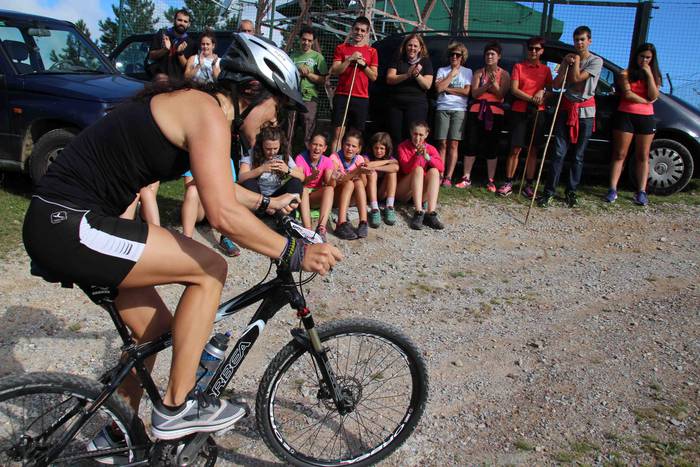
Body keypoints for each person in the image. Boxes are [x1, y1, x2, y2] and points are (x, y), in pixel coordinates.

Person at [23, 33, 342, 447]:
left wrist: (268, 204)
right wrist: (294, 252)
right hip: (67, 223)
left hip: (65, 220)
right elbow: (222, 214)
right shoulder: (206, 113)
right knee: (210, 268)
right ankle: (176, 407)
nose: (274, 120)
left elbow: (221, 188)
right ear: (251, 90)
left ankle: (116, 435)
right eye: (276, 106)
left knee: (155, 330)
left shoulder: (201, 109)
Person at [182, 30, 237, 256]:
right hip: (201, 207)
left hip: (216, 206)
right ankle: (186, 241)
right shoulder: (193, 59)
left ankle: (226, 237)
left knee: (226, 194)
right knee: (192, 191)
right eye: (202, 44)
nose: (205, 47)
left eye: (208, 44)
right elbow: (187, 77)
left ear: (214, 46)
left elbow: (220, 78)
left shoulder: (218, 62)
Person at [538, 26, 603, 208]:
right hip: (566, 110)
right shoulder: (568, 60)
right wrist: (565, 64)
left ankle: (571, 191)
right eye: (576, 40)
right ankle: (549, 192)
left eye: (582, 39)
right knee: (558, 153)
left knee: (578, 155)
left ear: (589, 41)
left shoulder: (596, 61)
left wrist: (575, 62)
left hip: (585, 112)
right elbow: (557, 84)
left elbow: (576, 79)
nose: (579, 43)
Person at [606, 42, 661, 206]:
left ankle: (642, 191)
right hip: (626, 115)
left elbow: (654, 95)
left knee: (643, 155)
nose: (644, 60)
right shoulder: (625, 73)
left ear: (652, 59)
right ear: (636, 56)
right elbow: (628, 94)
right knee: (620, 153)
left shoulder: (655, 76)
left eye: (648, 58)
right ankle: (612, 189)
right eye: (642, 56)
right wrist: (645, 101)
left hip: (646, 118)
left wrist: (649, 75)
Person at [499, 37, 552, 197]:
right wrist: (532, 98)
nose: (533, 51)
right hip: (519, 110)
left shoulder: (546, 70)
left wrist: (543, 93)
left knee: (533, 150)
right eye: (531, 48)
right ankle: (508, 182)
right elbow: (514, 90)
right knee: (515, 148)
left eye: (537, 48)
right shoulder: (519, 67)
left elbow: (550, 90)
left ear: (542, 51)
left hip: (537, 112)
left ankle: (528, 185)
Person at [459, 42, 510, 192]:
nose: (489, 56)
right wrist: (487, 85)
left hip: (495, 113)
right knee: (471, 143)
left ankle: (490, 180)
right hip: (477, 111)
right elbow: (474, 93)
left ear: (499, 56)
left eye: (493, 54)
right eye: (487, 54)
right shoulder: (479, 72)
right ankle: (466, 177)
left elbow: (501, 94)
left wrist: (494, 84)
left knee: (492, 146)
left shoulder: (504, 74)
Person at [329, 16, 378, 152]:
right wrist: (349, 59)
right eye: (357, 29)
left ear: (366, 32)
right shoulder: (341, 48)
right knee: (338, 133)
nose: (359, 33)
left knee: (356, 136)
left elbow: (374, 76)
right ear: (352, 30)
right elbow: (335, 70)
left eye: (362, 30)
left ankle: (354, 163)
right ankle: (335, 162)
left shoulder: (372, 51)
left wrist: (363, 65)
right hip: (342, 95)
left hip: (361, 97)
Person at [385, 34, 434, 149]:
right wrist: (407, 75)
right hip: (396, 104)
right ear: (405, 46)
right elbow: (390, 79)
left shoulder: (425, 62)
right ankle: (396, 159)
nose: (412, 48)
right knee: (395, 136)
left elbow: (427, 85)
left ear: (420, 48)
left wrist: (416, 75)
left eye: (415, 46)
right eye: (410, 45)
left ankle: (412, 160)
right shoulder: (398, 59)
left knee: (414, 137)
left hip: (417, 105)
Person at [434, 42, 471, 187]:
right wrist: (451, 75)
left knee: (454, 144)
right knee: (442, 143)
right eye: (452, 54)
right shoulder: (442, 70)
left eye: (457, 55)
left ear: (462, 57)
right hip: (442, 107)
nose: (454, 57)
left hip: (459, 109)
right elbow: (438, 89)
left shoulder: (467, 72)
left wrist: (447, 88)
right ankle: (440, 173)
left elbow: (466, 92)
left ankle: (448, 176)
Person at [396, 121, 445, 230]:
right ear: (410, 132)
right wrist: (417, 156)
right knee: (418, 170)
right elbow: (406, 169)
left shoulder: (430, 148)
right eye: (415, 134)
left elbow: (441, 167)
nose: (417, 138)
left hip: (420, 193)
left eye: (421, 135)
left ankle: (431, 213)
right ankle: (418, 212)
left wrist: (427, 157)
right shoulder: (402, 147)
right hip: (404, 192)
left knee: (434, 172)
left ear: (426, 135)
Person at [238, 126, 304, 202]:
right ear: (261, 145)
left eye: (275, 148)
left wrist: (288, 170)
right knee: (248, 182)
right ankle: (261, 207)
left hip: (278, 194)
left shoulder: (283, 154)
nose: (272, 152)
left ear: (280, 145)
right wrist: (261, 169)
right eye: (268, 149)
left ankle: (288, 207)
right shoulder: (251, 153)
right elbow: (241, 178)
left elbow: (302, 177)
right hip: (258, 194)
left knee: (296, 182)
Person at [287, 26, 328, 147]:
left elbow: (323, 80)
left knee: (308, 133)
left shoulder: (318, 57)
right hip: (293, 98)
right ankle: (287, 156)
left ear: (313, 41)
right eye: (304, 39)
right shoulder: (292, 56)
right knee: (289, 132)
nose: (306, 42)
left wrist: (308, 74)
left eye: (309, 40)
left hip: (309, 99)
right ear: (300, 39)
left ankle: (308, 158)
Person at [329, 128, 372, 240]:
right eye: (347, 145)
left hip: (351, 198)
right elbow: (338, 181)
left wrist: (362, 173)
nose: (350, 148)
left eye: (354, 146)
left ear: (359, 149)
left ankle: (363, 222)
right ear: (342, 144)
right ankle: (341, 223)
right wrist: (356, 171)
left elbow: (364, 184)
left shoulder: (359, 158)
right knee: (349, 183)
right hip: (336, 196)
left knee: (358, 182)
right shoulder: (335, 157)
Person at [295, 132, 336, 241]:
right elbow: (298, 182)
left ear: (325, 148)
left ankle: (321, 228)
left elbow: (329, 184)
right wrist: (311, 177)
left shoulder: (327, 161)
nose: (317, 148)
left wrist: (334, 178)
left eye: (320, 145)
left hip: (314, 195)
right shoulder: (300, 158)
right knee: (303, 189)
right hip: (301, 194)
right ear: (309, 145)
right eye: (314, 144)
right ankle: (308, 231)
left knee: (329, 189)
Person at [146, 8, 196, 83]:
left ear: (189, 24)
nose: (182, 23)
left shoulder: (192, 44)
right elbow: (151, 56)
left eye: (185, 21)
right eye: (179, 20)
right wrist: (165, 49)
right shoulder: (162, 35)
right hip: (160, 83)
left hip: (179, 85)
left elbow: (188, 68)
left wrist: (180, 54)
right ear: (174, 20)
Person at [365, 132, 399, 227]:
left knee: (392, 172)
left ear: (387, 149)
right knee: (372, 173)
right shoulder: (367, 156)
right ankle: (374, 209)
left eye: (382, 148)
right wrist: (387, 162)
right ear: (372, 148)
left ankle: (390, 206)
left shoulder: (390, 158)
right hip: (369, 193)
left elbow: (396, 167)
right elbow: (367, 165)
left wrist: (376, 167)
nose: (378, 151)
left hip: (381, 192)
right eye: (376, 148)